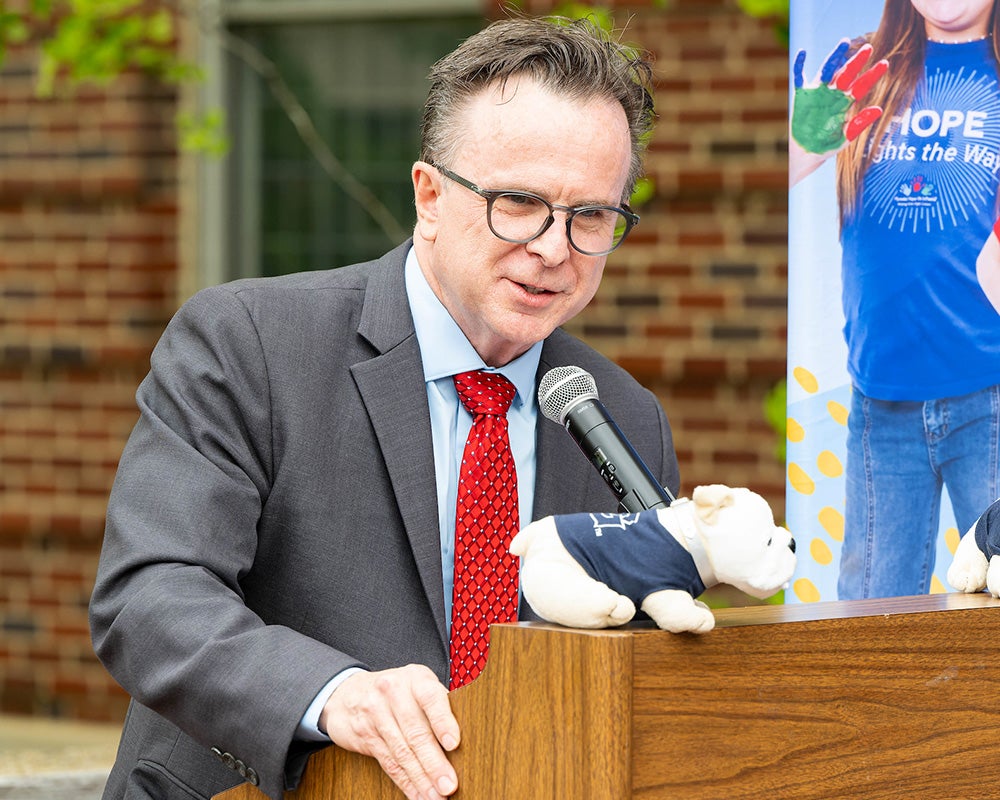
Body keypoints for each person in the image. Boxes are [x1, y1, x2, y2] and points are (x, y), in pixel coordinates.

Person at [89, 15, 680, 800]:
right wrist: (335, 696)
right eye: (519, 202)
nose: (553, 248)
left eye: (591, 216)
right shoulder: (250, 344)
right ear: (428, 196)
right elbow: (151, 596)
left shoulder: (623, 420)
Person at [790, 0, 1000, 600]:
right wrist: (804, 146)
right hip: (879, 395)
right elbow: (779, 178)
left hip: (989, 388)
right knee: (871, 611)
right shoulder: (862, 67)